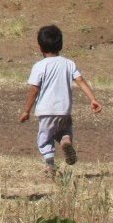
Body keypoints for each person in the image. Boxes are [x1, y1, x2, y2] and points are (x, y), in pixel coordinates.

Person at [20, 24, 103, 178]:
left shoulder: (39, 66)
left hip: (46, 111)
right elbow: (81, 81)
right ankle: (65, 140)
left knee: (45, 139)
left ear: (40, 47)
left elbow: (34, 90)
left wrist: (26, 110)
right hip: (64, 110)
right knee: (64, 131)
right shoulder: (68, 63)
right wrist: (93, 99)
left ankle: (50, 166)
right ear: (61, 44)